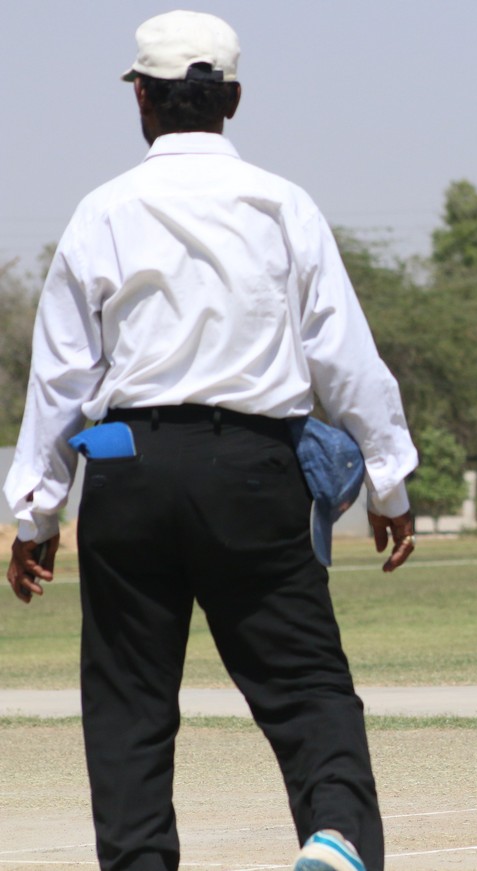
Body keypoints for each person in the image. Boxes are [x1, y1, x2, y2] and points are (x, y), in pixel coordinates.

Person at [3, 12, 417, 871]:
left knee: (128, 700)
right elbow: (344, 357)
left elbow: (61, 378)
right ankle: (337, 834)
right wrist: (388, 481)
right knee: (304, 680)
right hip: (253, 468)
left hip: (126, 465)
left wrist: (36, 512)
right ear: (232, 99)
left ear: (142, 100)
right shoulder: (282, 203)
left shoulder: (102, 210)